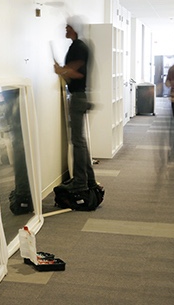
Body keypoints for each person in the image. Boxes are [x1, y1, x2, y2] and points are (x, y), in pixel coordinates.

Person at [52, 17, 103, 210]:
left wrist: (61, 71)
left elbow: (77, 73)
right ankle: (88, 180)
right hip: (80, 96)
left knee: (78, 141)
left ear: (74, 29)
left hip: (78, 97)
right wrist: (63, 71)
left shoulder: (78, 47)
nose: (65, 29)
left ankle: (81, 182)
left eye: (67, 27)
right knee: (80, 141)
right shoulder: (78, 45)